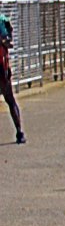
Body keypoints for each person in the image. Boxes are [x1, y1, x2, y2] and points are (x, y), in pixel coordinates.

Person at [0, 14, 24, 144]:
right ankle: (19, 132)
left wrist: (4, 40)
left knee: (10, 99)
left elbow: (8, 42)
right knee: (10, 100)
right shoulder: (3, 20)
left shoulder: (2, 20)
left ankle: (19, 132)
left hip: (1, 66)